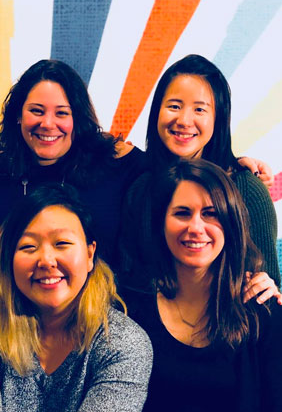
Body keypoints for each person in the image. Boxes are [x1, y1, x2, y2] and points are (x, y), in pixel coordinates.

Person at [0, 185, 153, 412]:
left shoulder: (124, 343)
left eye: (62, 243)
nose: (46, 260)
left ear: (89, 254)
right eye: (28, 247)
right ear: (9, 259)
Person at [123, 159, 282, 412]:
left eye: (211, 214)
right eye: (182, 213)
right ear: (161, 223)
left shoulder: (263, 312)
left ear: (231, 223)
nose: (196, 228)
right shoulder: (129, 309)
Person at [119, 54, 280, 290]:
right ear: (157, 112)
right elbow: (126, 279)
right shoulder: (141, 189)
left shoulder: (247, 188)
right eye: (174, 106)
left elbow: (268, 285)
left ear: (218, 119)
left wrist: (267, 286)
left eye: (200, 109)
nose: (184, 120)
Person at [0, 59, 148, 268]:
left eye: (61, 113)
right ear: (18, 116)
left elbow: (171, 176)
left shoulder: (116, 162)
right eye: (37, 111)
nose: (48, 124)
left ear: (77, 119)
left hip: (105, 288)